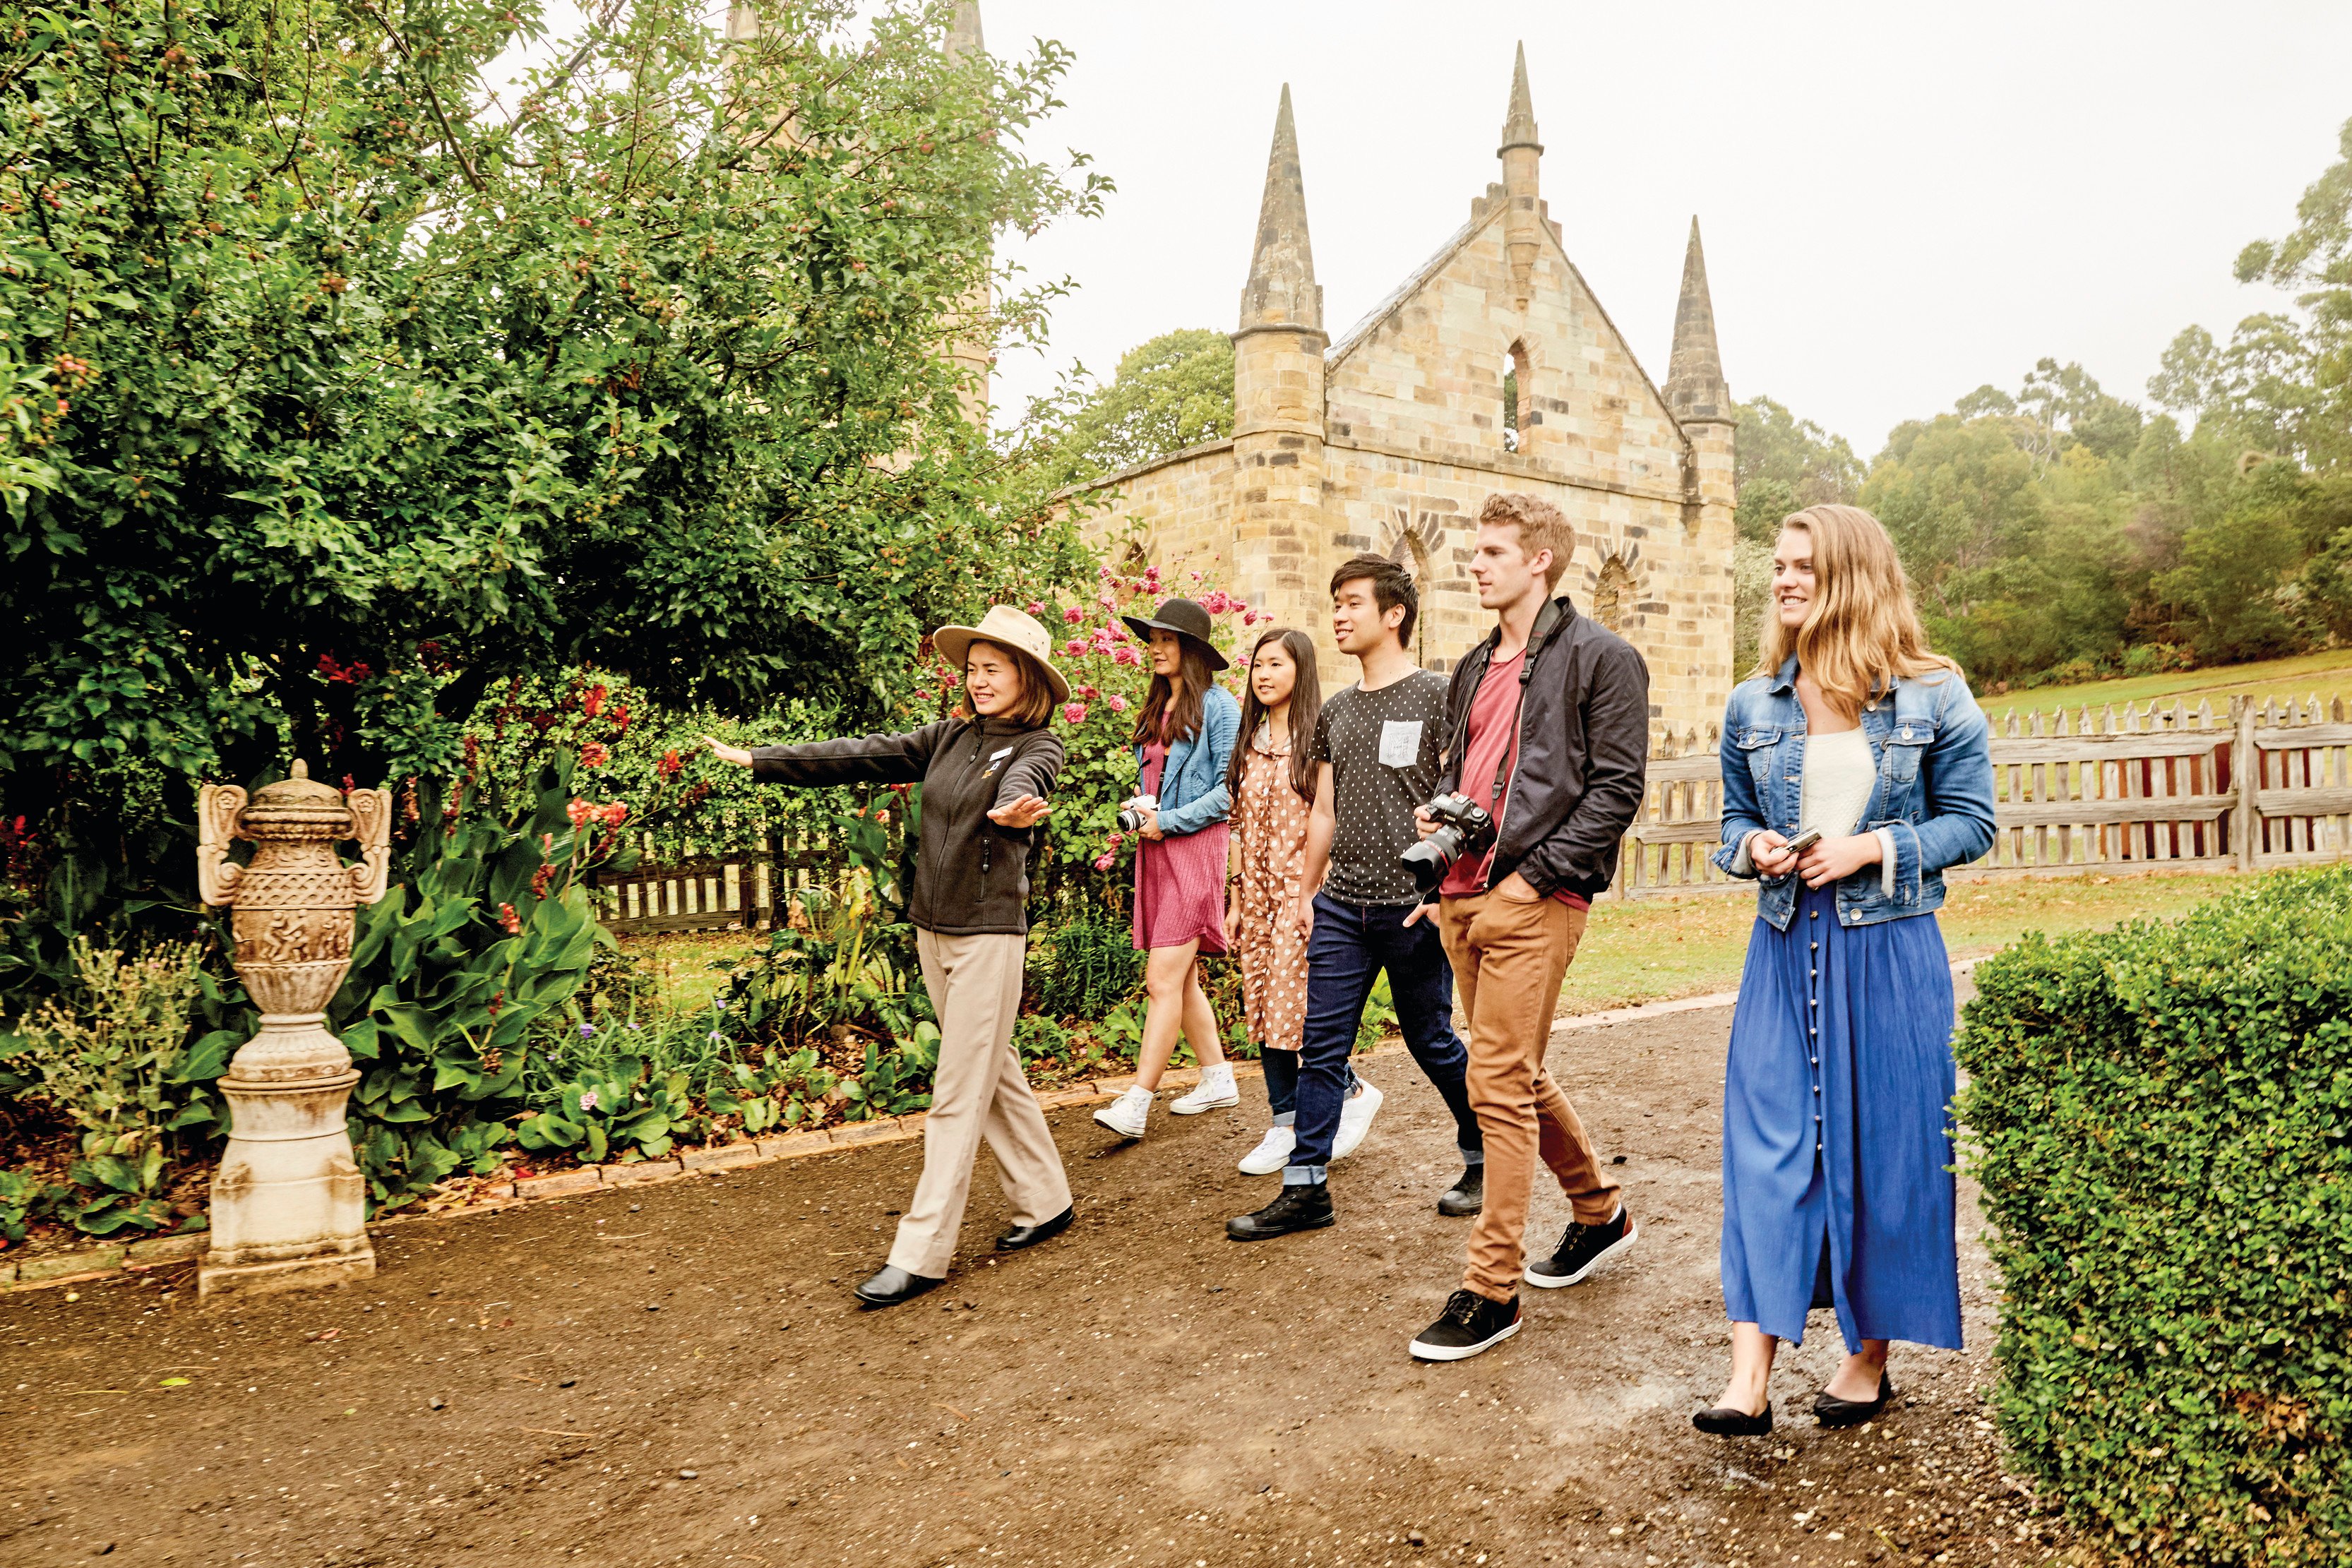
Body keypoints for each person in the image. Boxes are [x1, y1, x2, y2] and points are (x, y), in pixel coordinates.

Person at [1692, 504, 1995, 1435]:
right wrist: (1757, 850)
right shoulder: (1753, 703)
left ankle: (1866, 1357)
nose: (1782, 581)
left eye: (1803, 568)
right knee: (1766, 1149)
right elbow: (1730, 828)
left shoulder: (1933, 696)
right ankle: (1747, 1377)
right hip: (1782, 949)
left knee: (1886, 1151)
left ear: (1853, 577)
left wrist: (1870, 847)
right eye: (1779, 567)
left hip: (1890, 951)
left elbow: (1971, 822)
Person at [702, 605, 1075, 1310]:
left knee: (956, 1091)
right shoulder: (947, 738)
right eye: (972, 669)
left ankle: (922, 1250)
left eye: (993, 668)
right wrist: (760, 759)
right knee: (993, 1072)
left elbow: (1030, 787)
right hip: (932, 931)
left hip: (989, 934)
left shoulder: (1037, 746)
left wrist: (1016, 807)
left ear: (1027, 676)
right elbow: (857, 753)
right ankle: (1046, 1198)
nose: (978, 680)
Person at [1403, 492, 1649, 1363]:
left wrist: (1528, 882)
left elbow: (1616, 790)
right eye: (1474, 551)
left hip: (1534, 900)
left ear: (1539, 560)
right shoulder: (1472, 664)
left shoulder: (1601, 657)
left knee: (1496, 1085)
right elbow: (1463, 778)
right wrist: (1439, 871)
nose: (1475, 563)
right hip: (1461, 898)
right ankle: (1599, 1212)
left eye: (1494, 551)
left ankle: (1490, 1290)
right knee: (1515, 1071)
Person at [1225, 554, 1487, 1243]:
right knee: (1320, 1045)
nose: (1338, 614)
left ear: (1393, 614)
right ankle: (1306, 1186)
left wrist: (1447, 890)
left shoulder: (1438, 696)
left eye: (1352, 602)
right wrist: (1309, 890)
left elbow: (1467, 800)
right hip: (1342, 904)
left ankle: (1482, 1152)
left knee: (1431, 1040)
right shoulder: (1336, 711)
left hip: (1413, 906)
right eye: (1335, 602)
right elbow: (1324, 812)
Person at [1092, 598, 1243, 1139]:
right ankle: (1217, 1076)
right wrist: (1142, 806)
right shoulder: (1159, 705)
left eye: (1167, 639)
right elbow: (1158, 781)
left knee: (1161, 979)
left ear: (1192, 649)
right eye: (1151, 638)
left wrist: (1170, 818)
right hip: (1157, 849)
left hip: (1195, 850)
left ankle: (1136, 1102)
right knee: (1182, 978)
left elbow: (1230, 792)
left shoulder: (1220, 706)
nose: (1154, 647)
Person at [1221, 626, 1324, 1175]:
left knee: (1292, 1006)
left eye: (1276, 664)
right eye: (1258, 664)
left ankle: (1338, 1093)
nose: (1263, 674)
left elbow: (1330, 824)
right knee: (1262, 1007)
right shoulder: (1249, 741)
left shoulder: (1316, 742)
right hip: (1257, 898)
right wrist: (1237, 900)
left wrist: (1312, 894)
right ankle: (1283, 1122)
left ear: (1300, 671)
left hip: (1299, 895)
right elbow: (1235, 826)